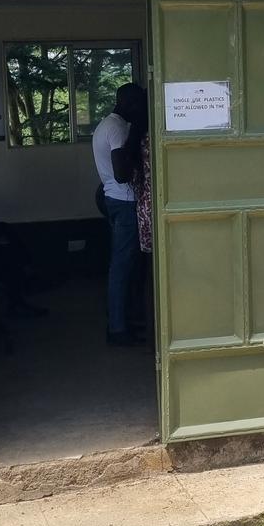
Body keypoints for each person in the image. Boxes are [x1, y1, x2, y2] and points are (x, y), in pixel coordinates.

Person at [92, 83, 147, 345]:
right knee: (122, 267)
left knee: (125, 265)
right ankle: (118, 328)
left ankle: (122, 320)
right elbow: (122, 173)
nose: (140, 110)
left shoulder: (107, 125)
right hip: (124, 202)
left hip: (115, 200)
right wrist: (135, 136)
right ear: (127, 103)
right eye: (138, 104)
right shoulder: (116, 128)